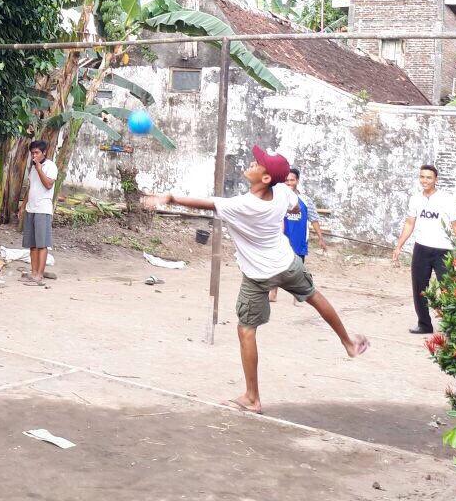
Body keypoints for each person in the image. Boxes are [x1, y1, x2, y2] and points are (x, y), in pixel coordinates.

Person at [142, 146, 368, 414]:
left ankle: (252, 397)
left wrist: (168, 197)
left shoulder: (242, 205)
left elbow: (206, 203)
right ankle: (348, 342)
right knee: (313, 296)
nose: (252, 162)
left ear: (264, 179)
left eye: (258, 163)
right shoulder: (284, 192)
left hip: (258, 275)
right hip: (286, 263)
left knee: (246, 330)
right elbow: (294, 205)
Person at [390, 164, 456, 334]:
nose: (425, 180)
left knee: (448, 288)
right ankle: (424, 324)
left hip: (443, 250)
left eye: (429, 177)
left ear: (436, 180)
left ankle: (452, 326)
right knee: (419, 287)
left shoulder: (446, 199)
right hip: (421, 248)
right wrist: (399, 246)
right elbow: (409, 223)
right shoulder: (415, 199)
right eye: (422, 177)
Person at [269, 167, 327, 302]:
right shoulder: (277, 198)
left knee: (299, 270)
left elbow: (313, 219)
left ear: (297, 181)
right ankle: (273, 294)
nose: (289, 183)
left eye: (292, 180)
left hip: (299, 240)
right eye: (287, 180)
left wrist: (320, 237)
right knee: (275, 266)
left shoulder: (305, 200)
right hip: (280, 239)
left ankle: (299, 296)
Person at [19, 140, 57, 286]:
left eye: (37, 153)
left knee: (42, 244)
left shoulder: (50, 166)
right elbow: (30, 188)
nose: (34, 156)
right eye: (32, 153)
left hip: (43, 209)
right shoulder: (32, 168)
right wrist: (23, 206)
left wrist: (40, 169)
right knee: (32, 244)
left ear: (44, 152)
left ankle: (40, 274)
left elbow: (48, 185)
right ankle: (33, 272)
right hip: (31, 208)